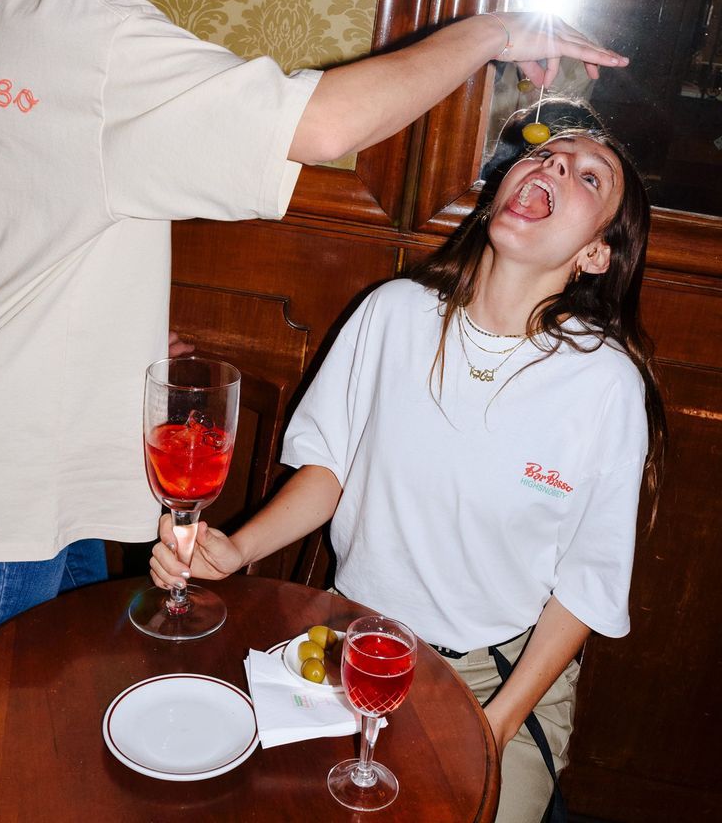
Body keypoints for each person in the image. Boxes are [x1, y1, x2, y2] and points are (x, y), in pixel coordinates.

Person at [0, 0, 630, 633]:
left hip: (39, 462)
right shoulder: (94, 33)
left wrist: (107, 337)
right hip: (15, 487)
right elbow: (324, 124)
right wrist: (496, 31)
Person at [150, 126, 666, 822]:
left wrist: (499, 723)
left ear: (597, 253)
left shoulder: (605, 385)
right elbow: (332, 468)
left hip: (498, 672)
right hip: (351, 644)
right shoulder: (392, 313)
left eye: (589, 176)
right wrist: (236, 549)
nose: (553, 164)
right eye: (545, 154)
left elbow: (586, 589)